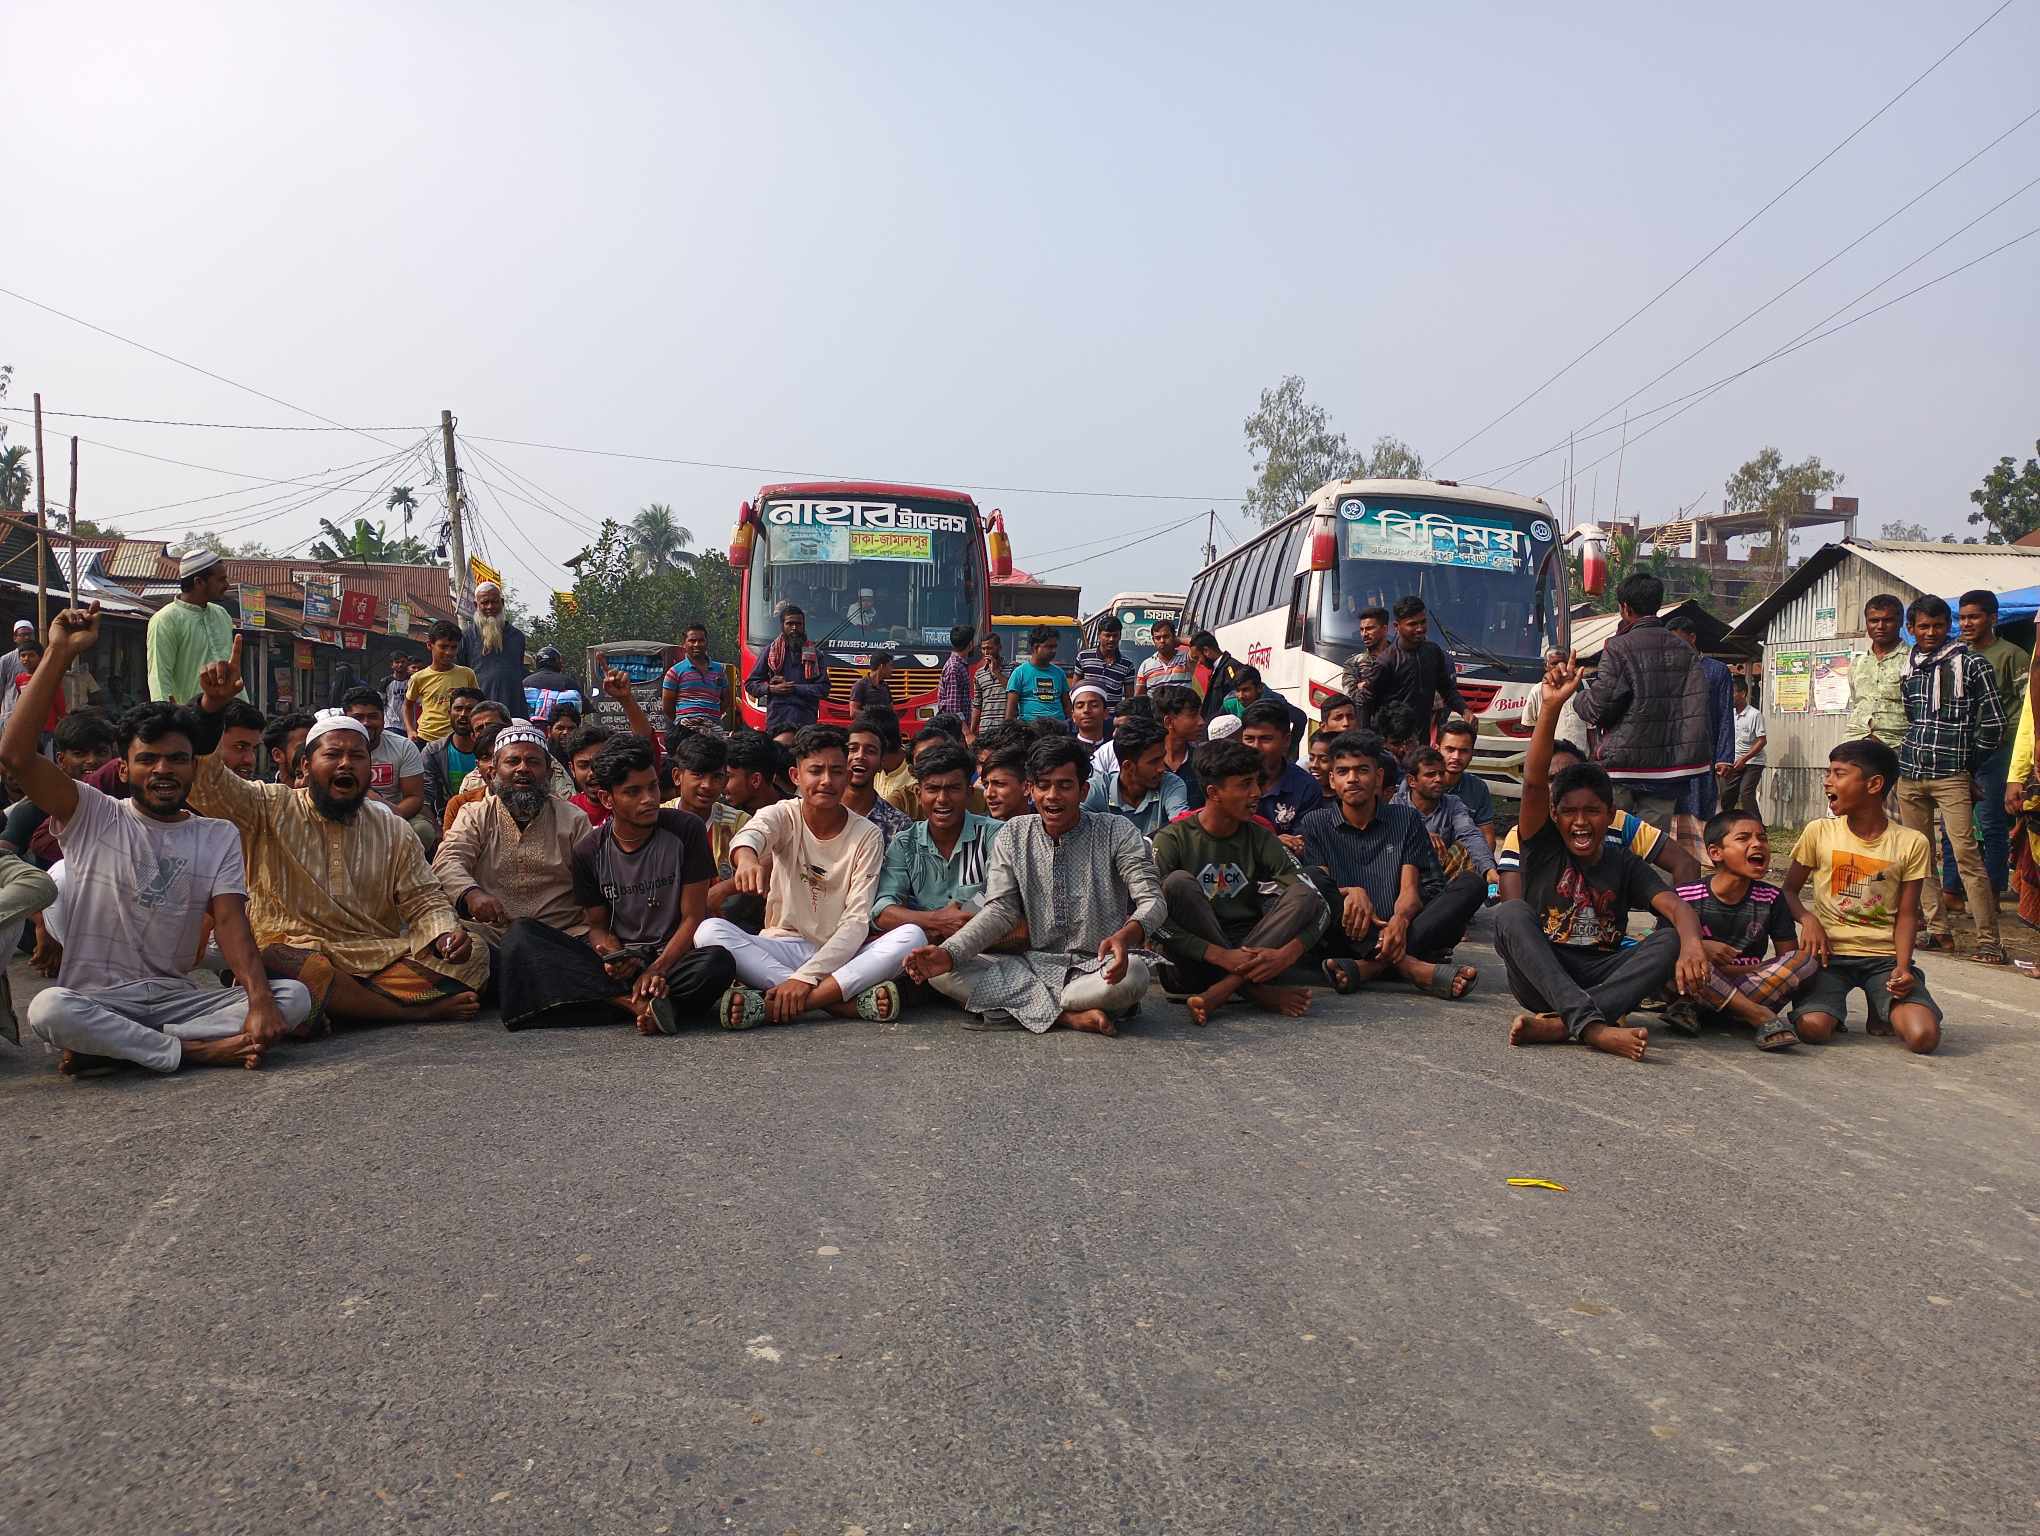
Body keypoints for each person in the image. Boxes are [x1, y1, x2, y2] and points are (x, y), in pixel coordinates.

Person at [9, 606, 310, 1074]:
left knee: (293, 997)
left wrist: (257, 996)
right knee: (49, 1009)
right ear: (124, 768)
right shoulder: (91, 811)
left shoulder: (216, 834)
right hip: (97, 1000)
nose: (163, 770)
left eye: (177, 759)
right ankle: (191, 1051)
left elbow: (231, 922)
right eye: (148, 759)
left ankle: (118, 1048)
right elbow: (15, 755)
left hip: (178, 1001)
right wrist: (58, 653)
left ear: (194, 766)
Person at [188, 640, 487, 1027]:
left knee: (475, 956)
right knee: (286, 963)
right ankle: (400, 1009)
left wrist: (445, 935)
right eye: (332, 755)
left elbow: (424, 898)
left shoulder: (391, 827)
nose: (346, 763)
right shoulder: (268, 806)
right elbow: (206, 785)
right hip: (295, 950)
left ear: (370, 767)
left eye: (357, 756)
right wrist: (211, 709)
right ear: (308, 765)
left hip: (375, 956)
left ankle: (335, 1004)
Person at [1493, 655, 1708, 1062]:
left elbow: (1676, 906)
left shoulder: (1622, 861)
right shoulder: (1543, 845)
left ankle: (1563, 1024)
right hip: (1544, 971)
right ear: (1554, 816)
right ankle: (1593, 1027)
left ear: (1610, 816)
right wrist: (1552, 705)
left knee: (1668, 938)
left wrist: (1693, 943)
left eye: (1592, 812)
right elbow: (1535, 783)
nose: (1580, 822)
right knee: (1510, 914)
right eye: (1569, 812)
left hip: (1602, 970)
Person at [903, 737, 1164, 1036]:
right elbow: (1000, 910)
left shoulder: (1116, 831)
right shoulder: (1013, 834)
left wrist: (1126, 935)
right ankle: (1070, 1017)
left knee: (1134, 975)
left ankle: (1018, 1008)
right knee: (944, 971)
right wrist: (949, 953)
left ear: (1083, 790)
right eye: (1043, 785)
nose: (1052, 796)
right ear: (1030, 789)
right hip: (1030, 967)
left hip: (1097, 967)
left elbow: (1153, 901)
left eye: (1065, 786)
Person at [484, 735, 737, 1034]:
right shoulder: (588, 851)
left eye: (652, 786)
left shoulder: (686, 830)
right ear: (607, 799)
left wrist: (658, 968)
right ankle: (636, 1005)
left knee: (717, 962)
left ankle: (627, 1001)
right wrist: (612, 954)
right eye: (633, 792)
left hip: (672, 960)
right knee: (521, 937)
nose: (649, 799)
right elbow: (598, 927)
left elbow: (693, 916)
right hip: (621, 968)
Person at [696, 725, 920, 1027]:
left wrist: (804, 980)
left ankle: (785, 1002)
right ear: (795, 777)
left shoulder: (866, 834)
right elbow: (753, 833)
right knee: (708, 931)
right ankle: (839, 1004)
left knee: (912, 936)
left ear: (846, 776)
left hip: (843, 952)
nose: (827, 781)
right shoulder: (784, 813)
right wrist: (746, 858)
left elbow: (856, 922)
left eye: (836, 771)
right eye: (816, 770)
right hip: (783, 947)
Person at [1783, 737, 1941, 1053]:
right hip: (1830, 958)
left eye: (1839, 773)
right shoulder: (1819, 832)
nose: (1828, 781)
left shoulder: (1911, 843)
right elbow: (1788, 891)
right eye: (1828, 772)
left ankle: (1880, 1002)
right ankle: (1836, 1009)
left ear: (1874, 784)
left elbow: (1908, 914)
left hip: (1883, 959)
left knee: (1923, 1037)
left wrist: (1903, 967)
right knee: (1813, 1028)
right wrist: (1808, 918)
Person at [1151, 738, 1325, 1023]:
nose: (1256, 793)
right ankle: (1254, 992)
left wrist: (1288, 954)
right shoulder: (1172, 838)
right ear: (1213, 792)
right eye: (1245, 784)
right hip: (1189, 962)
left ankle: (1225, 988)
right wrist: (1218, 954)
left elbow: (1318, 904)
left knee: (1304, 894)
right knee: (1177, 883)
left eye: (1257, 783)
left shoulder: (1260, 836)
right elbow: (1150, 919)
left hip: (1250, 949)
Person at [1302, 731, 1482, 1000]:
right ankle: (1410, 967)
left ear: (1378, 777)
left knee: (1472, 884)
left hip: (1408, 928)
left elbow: (1410, 887)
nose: (1352, 779)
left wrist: (1400, 919)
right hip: (1349, 934)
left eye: (1362, 770)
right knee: (1312, 880)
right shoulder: (1315, 823)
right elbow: (1321, 885)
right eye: (1342, 771)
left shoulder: (1405, 819)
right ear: (1332, 779)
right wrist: (1351, 891)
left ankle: (1370, 967)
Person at [1894, 592, 2004, 962]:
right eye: (1923, 626)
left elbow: (1993, 724)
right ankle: (1937, 930)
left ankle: (1989, 939)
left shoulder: (1971, 664)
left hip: (1952, 773)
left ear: (1948, 626)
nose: (1930, 632)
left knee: (1966, 855)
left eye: (1938, 625)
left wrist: (1968, 763)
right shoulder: (1908, 666)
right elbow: (1911, 716)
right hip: (1910, 773)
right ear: (1911, 629)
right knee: (1919, 856)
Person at [432, 719, 592, 953]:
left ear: (548, 772)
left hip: (561, 936)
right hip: (494, 937)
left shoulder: (574, 819)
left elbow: (593, 882)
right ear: (494, 772)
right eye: (513, 761)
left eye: (533, 762)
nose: (523, 768)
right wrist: (471, 894)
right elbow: (448, 860)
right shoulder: (475, 815)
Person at [1571, 572, 1712, 834]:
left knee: (1613, 841)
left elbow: (1598, 707)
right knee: (1653, 846)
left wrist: (1578, 697)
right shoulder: (1686, 651)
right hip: (1669, 767)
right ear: (1657, 603)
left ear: (1625, 607)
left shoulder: (1618, 647)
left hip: (1623, 764)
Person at [1675, 810, 1814, 1050]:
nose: (1757, 844)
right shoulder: (1685, 895)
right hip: (1697, 982)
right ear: (1716, 853)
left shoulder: (1772, 898)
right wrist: (1700, 947)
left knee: (1806, 960)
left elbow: (1786, 958)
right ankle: (1756, 1015)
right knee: (1671, 954)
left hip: (1746, 982)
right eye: (1744, 838)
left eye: (1762, 838)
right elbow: (1667, 948)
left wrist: (1743, 970)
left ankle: (1709, 1010)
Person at [871, 742, 1007, 956]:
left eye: (953, 789)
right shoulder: (905, 843)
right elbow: (882, 911)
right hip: (923, 949)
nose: (942, 799)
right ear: (918, 792)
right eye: (933, 789)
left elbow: (1001, 902)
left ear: (970, 793)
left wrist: (956, 923)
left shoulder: (996, 836)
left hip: (986, 950)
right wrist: (938, 920)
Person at [1952, 588, 2027, 899]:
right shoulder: (1955, 655)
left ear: (1992, 618)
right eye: (1963, 617)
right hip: (1961, 750)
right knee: (1955, 825)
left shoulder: (2012, 655)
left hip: (1998, 749)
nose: (1967, 623)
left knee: (1992, 822)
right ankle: (1952, 891)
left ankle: (1993, 891)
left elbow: (2027, 708)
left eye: (1974, 617)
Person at [1666, 615, 1735, 860]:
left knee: (1702, 816)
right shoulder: (1666, 672)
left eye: (1679, 641)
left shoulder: (1716, 671)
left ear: (1692, 638)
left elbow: (1725, 714)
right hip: (1671, 759)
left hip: (1703, 756)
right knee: (1671, 818)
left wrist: (1725, 756)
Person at [340, 685, 435, 851]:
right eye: (358, 718)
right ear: (345, 718)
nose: (366, 723)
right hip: (345, 812)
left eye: (372, 717)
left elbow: (414, 797)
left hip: (396, 812)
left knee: (423, 831)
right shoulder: (334, 750)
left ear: (384, 718)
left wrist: (389, 816)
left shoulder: (404, 747)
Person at [1355, 597, 1465, 735]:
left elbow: (1447, 689)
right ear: (1396, 627)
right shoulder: (1387, 661)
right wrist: (1366, 739)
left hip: (1421, 741)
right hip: (1393, 743)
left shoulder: (1433, 652)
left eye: (1423, 622)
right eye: (1412, 624)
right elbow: (1364, 700)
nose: (1420, 629)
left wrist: (1465, 711)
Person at [1393, 746, 1499, 885]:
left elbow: (1470, 835)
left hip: (1442, 876)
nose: (1438, 779)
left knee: (1465, 849)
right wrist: (1421, 836)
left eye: (1441, 773)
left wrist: (1489, 870)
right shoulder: (1397, 804)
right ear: (1412, 781)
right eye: (1430, 774)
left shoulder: (1453, 803)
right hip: (1404, 878)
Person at [146, 549, 238, 704]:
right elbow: (159, 678)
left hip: (233, 715)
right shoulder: (165, 619)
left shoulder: (221, 614)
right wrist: (166, 719)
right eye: (221, 580)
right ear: (199, 582)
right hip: (193, 720)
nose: (227, 585)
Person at [1083, 715, 1189, 837]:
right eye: (1154, 761)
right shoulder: (1095, 790)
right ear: (1128, 767)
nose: (1162, 768)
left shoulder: (1172, 783)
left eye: (1162, 758)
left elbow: (1181, 826)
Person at [1241, 698, 1322, 850]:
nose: (1255, 747)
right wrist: (1271, 842)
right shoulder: (1227, 781)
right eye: (1249, 739)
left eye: (1266, 739)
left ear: (1286, 740)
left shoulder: (1306, 787)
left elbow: (1301, 845)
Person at [744, 604, 827, 733]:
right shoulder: (770, 651)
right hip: (778, 722)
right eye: (790, 624)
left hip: (806, 724)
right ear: (782, 626)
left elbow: (823, 689)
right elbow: (750, 685)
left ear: (803, 626)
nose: (794, 628)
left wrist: (795, 689)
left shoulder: (815, 654)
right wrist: (771, 688)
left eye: (798, 624)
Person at [1846, 593, 1909, 747]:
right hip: (1856, 742)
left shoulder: (1913, 660)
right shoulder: (1857, 663)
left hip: (1895, 745)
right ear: (1867, 623)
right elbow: (1856, 703)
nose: (1880, 626)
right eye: (1874, 620)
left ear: (1900, 622)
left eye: (1887, 620)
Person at [458, 580, 528, 718]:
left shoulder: (517, 637)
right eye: (484, 603)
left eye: (495, 602)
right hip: (479, 710)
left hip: (513, 708)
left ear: (502, 603)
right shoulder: (466, 637)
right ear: (476, 605)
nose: (490, 607)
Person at [844, 712, 914, 847]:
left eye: (870, 751)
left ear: (882, 762)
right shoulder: (820, 811)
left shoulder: (899, 826)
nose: (860, 756)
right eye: (852, 749)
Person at [407, 620, 481, 743]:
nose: (449, 652)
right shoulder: (419, 678)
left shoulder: (467, 674)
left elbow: (477, 705)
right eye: (443, 646)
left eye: (453, 647)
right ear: (430, 645)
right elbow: (408, 705)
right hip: (426, 738)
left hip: (458, 739)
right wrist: (410, 730)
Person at [421, 687, 487, 817]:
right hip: (446, 817)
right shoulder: (433, 752)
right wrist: (436, 828)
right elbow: (426, 797)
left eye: (469, 709)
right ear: (449, 712)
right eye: (458, 709)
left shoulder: (494, 750)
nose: (463, 714)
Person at [660, 622, 734, 733]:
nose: (697, 644)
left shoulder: (720, 670)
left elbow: (726, 699)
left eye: (701, 640)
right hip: (685, 726)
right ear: (684, 644)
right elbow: (667, 706)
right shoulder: (674, 672)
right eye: (692, 641)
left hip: (713, 725)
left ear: (706, 642)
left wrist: (711, 714)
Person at [1434, 719, 1495, 849]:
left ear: (1472, 754)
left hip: (1462, 861)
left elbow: (1487, 836)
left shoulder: (1478, 788)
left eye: (1463, 751)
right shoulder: (1417, 782)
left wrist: (1486, 866)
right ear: (1437, 749)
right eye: (1450, 749)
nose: (1456, 756)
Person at [1074, 618, 1138, 718]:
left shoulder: (1127, 664)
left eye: (1115, 635)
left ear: (1120, 636)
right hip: (1087, 716)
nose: (1111, 639)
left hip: (1112, 718)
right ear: (1099, 635)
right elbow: (1075, 689)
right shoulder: (1083, 657)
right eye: (1107, 635)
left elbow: (1129, 698)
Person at [1719, 678, 1766, 813]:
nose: (1730, 697)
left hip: (1753, 762)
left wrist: (1744, 759)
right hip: (1733, 762)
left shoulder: (1754, 715)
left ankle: (1757, 826)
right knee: (1727, 795)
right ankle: (1727, 825)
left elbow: (1762, 740)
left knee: (1746, 793)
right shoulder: (1728, 715)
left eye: (1732, 693)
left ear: (1743, 693)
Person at [1006, 626, 1071, 724]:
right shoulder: (1019, 673)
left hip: (1058, 733)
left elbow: (1067, 707)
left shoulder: (1059, 673)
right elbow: (1010, 712)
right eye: (1049, 647)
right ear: (1035, 647)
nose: (1054, 651)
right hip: (1030, 733)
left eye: (1055, 647)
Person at [521, 644, 584, 727]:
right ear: (557, 662)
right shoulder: (567, 682)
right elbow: (584, 708)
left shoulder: (525, 682)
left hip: (529, 731)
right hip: (559, 732)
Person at [1191, 631, 1249, 721]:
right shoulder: (1218, 670)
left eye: (1198, 657)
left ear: (1206, 651)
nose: (1199, 662)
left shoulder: (1230, 668)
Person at [1340, 606, 1393, 702]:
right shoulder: (1353, 663)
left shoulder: (1400, 658)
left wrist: (1364, 685)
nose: (1364, 634)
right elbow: (1352, 697)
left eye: (1369, 628)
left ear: (1384, 629)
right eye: (1361, 629)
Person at [1135, 618, 1196, 695]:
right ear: (1153, 640)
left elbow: (1200, 643)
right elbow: (1139, 698)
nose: (1162, 641)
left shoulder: (1187, 659)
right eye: (1157, 638)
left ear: (1174, 637)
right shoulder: (1145, 666)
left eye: (1166, 636)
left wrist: (1179, 640)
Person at [969, 632, 1009, 740]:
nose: (986, 652)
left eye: (990, 648)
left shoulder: (1013, 668)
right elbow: (977, 704)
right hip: (986, 729)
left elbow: (1012, 692)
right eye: (983, 649)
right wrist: (971, 732)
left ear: (999, 647)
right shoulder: (979, 674)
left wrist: (996, 672)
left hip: (1006, 729)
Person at [215, 700, 267, 782]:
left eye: (254, 749)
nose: (250, 760)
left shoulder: (259, 793)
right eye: (240, 747)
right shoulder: (190, 792)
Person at [979, 742, 1032, 822]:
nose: (989, 794)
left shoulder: (1048, 827)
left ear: (1026, 788)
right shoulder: (977, 829)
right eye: (986, 785)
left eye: (999, 784)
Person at [936, 624, 978, 719]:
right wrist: (966, 732)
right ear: (970, 644)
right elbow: (953, 708)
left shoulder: (959, 665)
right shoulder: (954, 667)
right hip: (955, 728)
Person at [263, 710, 315, 785]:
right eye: (303, 748)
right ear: (277, 755)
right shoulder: (262, 794)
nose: (312, 754)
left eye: (315, 747)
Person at [0, 617, 37, 724]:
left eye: (29, 634)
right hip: (11, 713)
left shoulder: (41, 658)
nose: (26, 637)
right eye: (22, 634)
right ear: (15, 638)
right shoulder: (5, 660)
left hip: (34, 713)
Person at [850, 652, 899, 721]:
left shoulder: (885, 687)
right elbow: (853, 713)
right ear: (882, 666)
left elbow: (891, 711)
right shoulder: (860, 685)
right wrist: (874, 717)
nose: (892, 669)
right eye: (890, 666)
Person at [1069, 683, 1111, 753]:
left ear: (1105, 713)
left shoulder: (1114, 750)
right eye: (1080, 706)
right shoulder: (1067, 751)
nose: (1086, 710)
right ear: (1073, 715)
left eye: (1094, 705)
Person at [382, 654, 413, 739]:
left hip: (410, 725)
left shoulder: (413, 680)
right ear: (392, 665)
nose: (400, 665)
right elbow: (381, 702)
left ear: (407, 664)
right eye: (397, 662)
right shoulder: (385, 682)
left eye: (403, 662)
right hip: (391, 723)